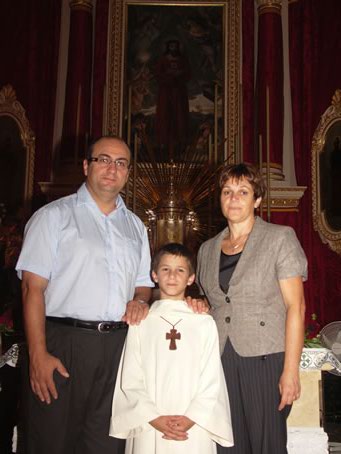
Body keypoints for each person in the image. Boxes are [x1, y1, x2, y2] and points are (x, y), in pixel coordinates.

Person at [15, 136, 154, 454]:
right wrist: (38, 354)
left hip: (118, 348)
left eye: (121, 163)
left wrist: (140, 301)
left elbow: (143, 285)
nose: (112, 168)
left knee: (107, 444)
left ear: (128, 172)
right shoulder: (53, 217)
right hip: (64, 343)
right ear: (86, 166)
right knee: (51, 442)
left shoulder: (135, 227)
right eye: (103, 159)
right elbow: (31, 289)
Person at [196, 163, 307, 454]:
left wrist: (291, 370)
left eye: (243, 192)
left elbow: (296, 306)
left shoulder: (279, 238)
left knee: (266, 445)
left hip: (265, 358)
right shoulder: (207, 249)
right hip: (219, 357)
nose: (233, 198)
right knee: (228, 445)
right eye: (227, 191)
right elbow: (216, 302)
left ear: (256, 200)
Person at [110, 242, 234, 454]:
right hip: (150, 422)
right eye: (165, 269)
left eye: (180, 270)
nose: (172, 276)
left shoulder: (203, 322)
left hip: (193, 424)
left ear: (191, 278)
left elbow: (212, 377)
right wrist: (153, 417)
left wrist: (192, 417)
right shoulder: (142, 321)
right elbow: (130, 375)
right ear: (154, 275)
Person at [155, 39, 191, 154]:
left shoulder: (183, 60)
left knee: (180, 116)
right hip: (166, 92)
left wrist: (179, 74)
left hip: (179, 93)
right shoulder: (163, 59)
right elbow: (158, 74)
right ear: (168, 47)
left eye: (175, 46)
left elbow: (188, 73)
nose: (173, 48)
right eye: (171, 46)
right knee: (165, 115)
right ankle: (163, 143)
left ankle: (181, 143)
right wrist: (168, 75)